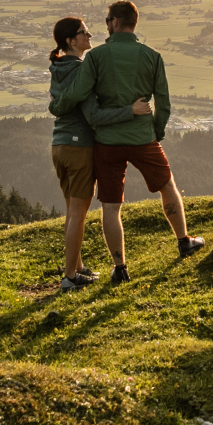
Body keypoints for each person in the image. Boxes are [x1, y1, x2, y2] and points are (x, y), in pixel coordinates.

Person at [49, 0, 203, 282]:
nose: (103, 27)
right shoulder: (152, 56)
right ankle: (184, 241)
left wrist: (56, 107)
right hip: (143, 136)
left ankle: (120, 268)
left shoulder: (96, 58)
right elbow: (164, 101)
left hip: (107, 142)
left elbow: (77, 92)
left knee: (110, 205)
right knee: (167, 185)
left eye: (107, 20)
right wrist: (155, 131)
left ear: (116, 23)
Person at [47, 16, 152, 290]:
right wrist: (130, 110)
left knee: (72, 211)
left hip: (59, 145)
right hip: (79, 145)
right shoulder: (81, 71)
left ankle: (78, 267)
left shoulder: (58, 67)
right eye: (84, 32)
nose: (89, 34)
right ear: (71, 41)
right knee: (79, 214)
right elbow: (93, 115)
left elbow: (60, 105)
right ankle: (70, 277)